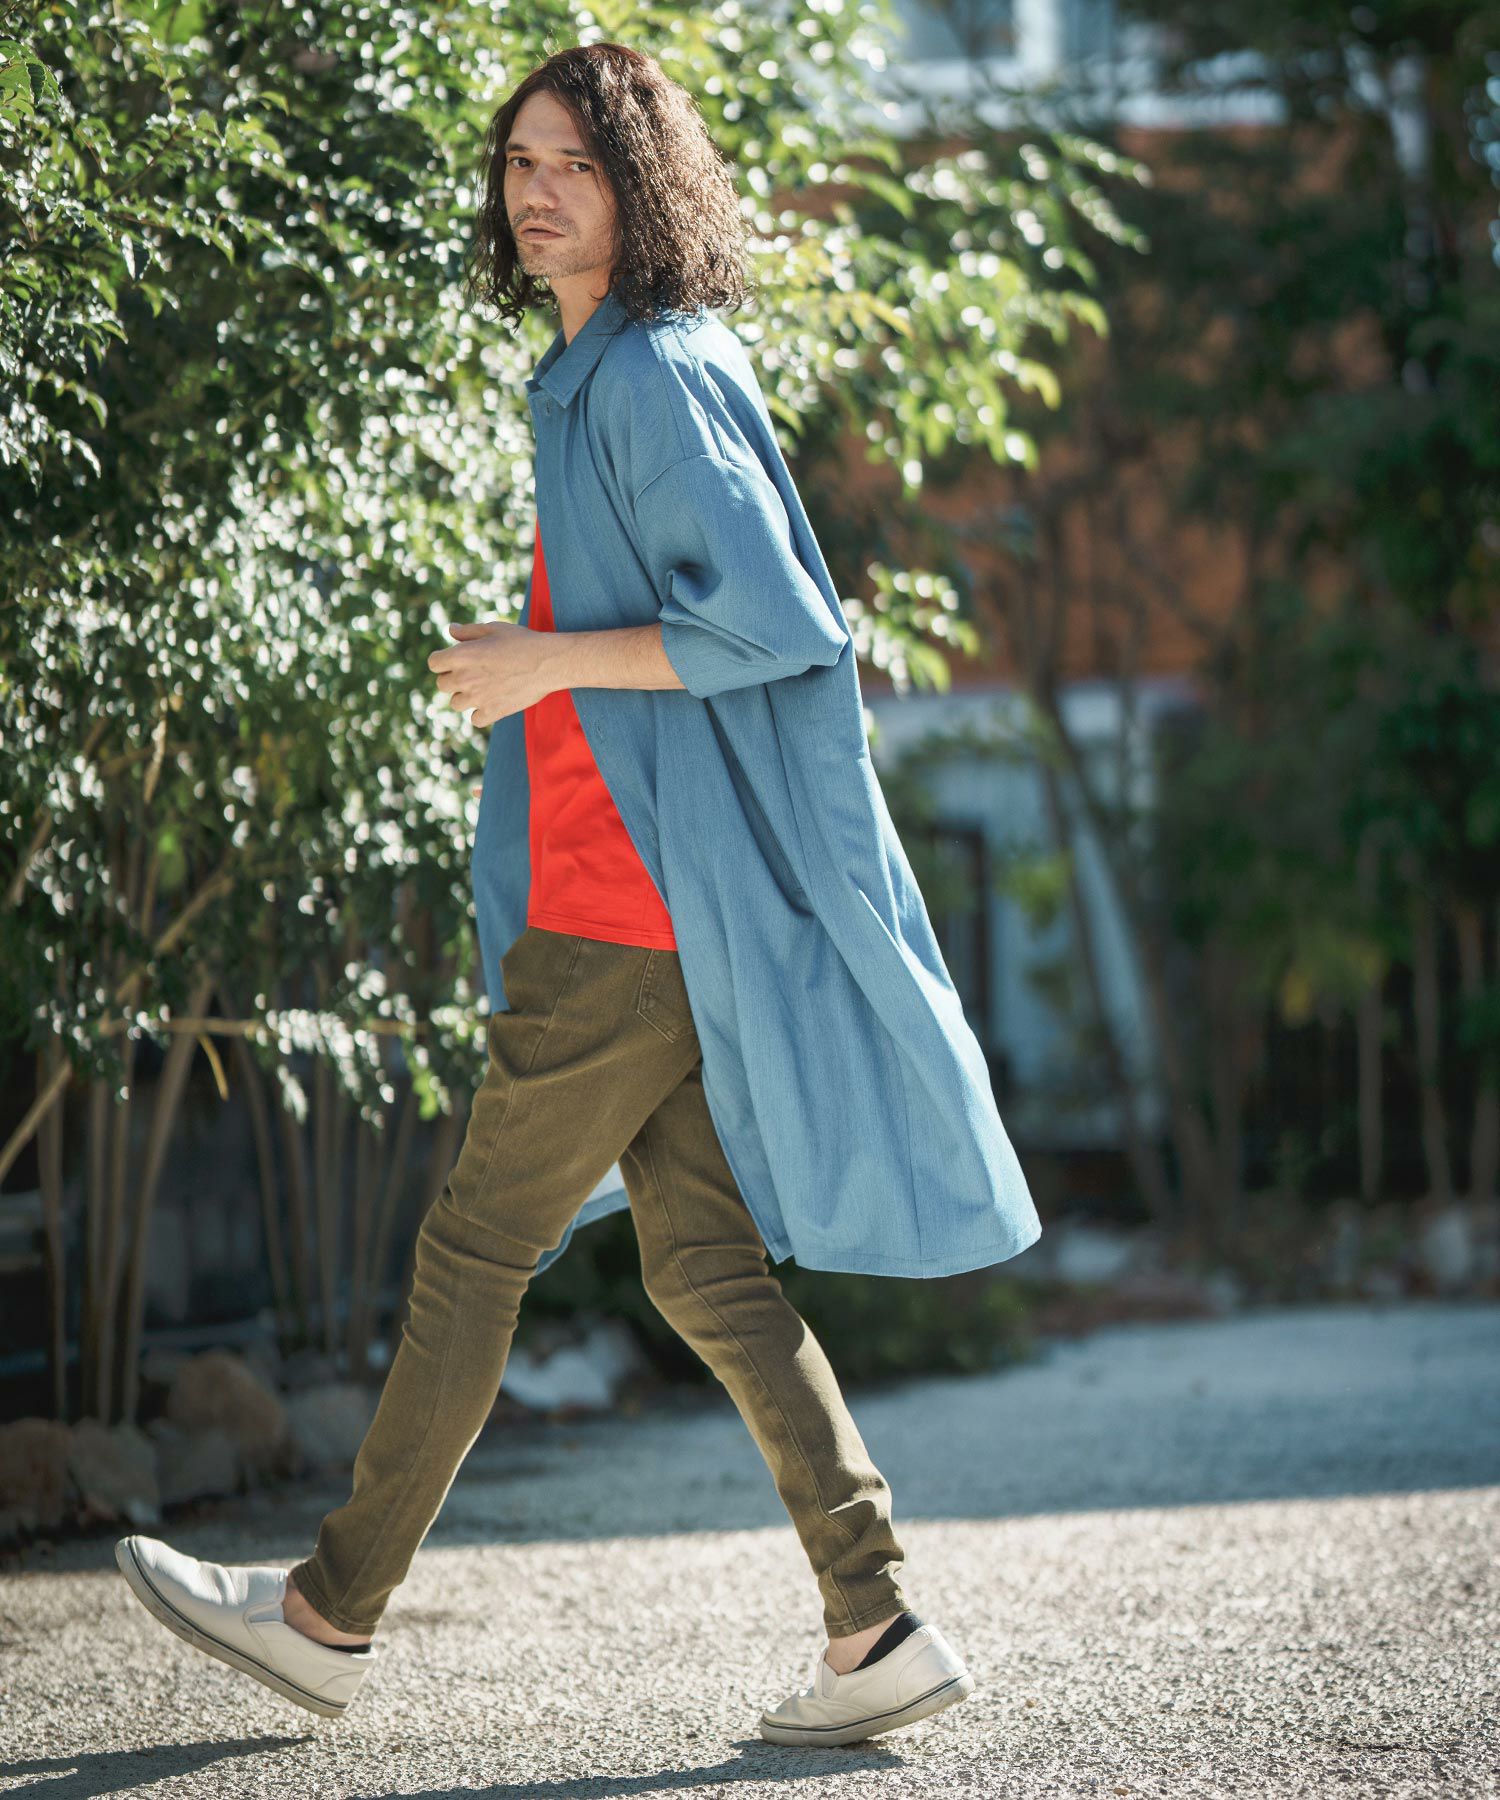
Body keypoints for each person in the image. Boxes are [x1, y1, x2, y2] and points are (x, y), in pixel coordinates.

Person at [116, 41, 1040, 1748]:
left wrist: (544, 660)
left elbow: (771, 623)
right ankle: (875, 1622)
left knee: (477, 1247)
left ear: (642, 188)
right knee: (703, 1269)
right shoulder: (603, 369)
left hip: (625, 910)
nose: (538, 192)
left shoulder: (650, 375)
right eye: (521, 162)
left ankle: (327, 1614)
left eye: (579, 166)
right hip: (645, 904)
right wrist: (546, 658)